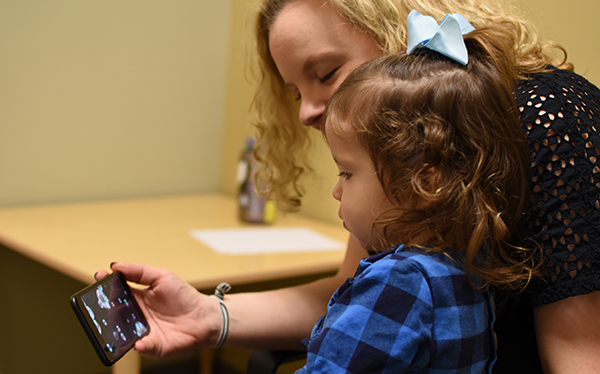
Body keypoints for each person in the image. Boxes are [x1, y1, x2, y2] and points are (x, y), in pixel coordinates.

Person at [96, 0, 600, 372]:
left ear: (398, 38)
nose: (305, 111)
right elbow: (347, 291)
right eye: (295, 90)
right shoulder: (405, 190)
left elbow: (580, 355)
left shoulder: (546, 117)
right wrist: (208, 314)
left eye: (325, 73)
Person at [296, 12, 538, 372]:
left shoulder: (399, 283)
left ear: (425, 184)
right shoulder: (466, 269)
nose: (336, 191)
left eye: (347, 172)